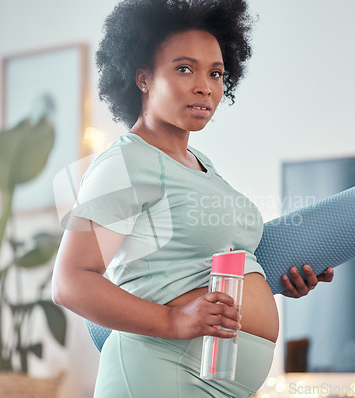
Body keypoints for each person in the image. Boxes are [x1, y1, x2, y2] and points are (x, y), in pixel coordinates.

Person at [52, 0, 334, 396]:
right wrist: (174, 321)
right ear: (143, 78)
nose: (205, 86)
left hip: (217, 380)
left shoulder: (201, 164)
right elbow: (70, 281)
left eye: (216, 73)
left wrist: (282, 278)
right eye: (184, 68)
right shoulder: (126, 162)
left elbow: (200, 267)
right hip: (159, 373)